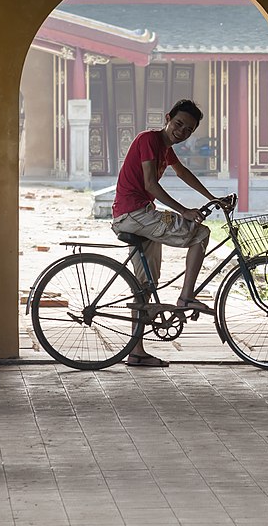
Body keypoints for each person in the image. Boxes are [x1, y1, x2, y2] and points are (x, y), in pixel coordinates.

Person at [111, 99, 226, 367]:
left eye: (188, 129)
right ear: (167, 119)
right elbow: (150, 184)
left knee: (145, 285)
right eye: (178, 124)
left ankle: (136, 352)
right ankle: (186, 296)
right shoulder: (149, 140)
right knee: (200, 234)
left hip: (137, 215)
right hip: (135, 213)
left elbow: (182, 172)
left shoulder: (165, 148)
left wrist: (212, 198)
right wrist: (184, 210)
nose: (181, 132)